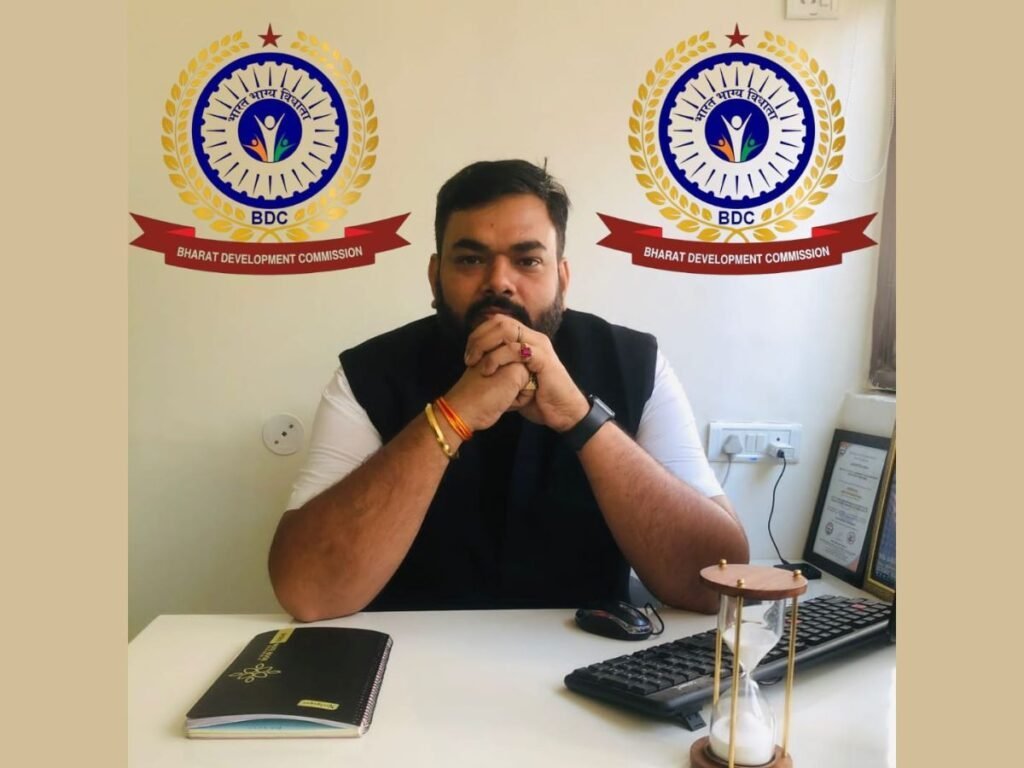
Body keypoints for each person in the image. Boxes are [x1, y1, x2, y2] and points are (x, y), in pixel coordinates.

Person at [268, 159, 749, 621]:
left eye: (528, 260)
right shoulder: (367, 374)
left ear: (562, 278)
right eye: (470, 259)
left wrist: (580, 418)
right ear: (435, 277)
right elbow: (307, 592)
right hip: (408, 659)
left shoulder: (635, 363)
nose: (499, 282)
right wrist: (453, 415)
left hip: (592, 660)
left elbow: (719, 583)